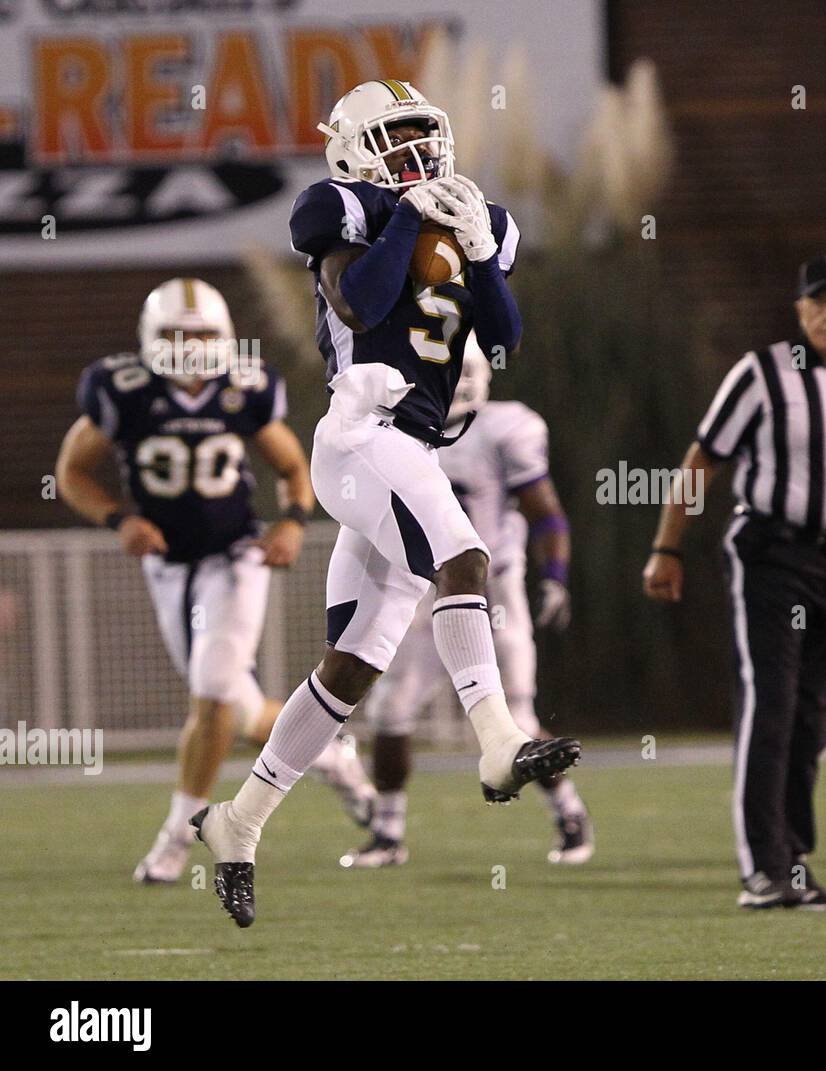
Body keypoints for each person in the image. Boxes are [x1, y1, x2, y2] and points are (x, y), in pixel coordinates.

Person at [190, 80, 579, 928]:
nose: (416, 154)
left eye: (421, 137)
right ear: (355, 149)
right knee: (464, 556)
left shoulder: (481, 216)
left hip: (410, 447)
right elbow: (359, 301)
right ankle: (498, 743)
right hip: (361, 432)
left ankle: (237, 823)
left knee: (353, 666)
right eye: (394, 139)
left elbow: (506, 337)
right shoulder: (344, 208)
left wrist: (477, 250)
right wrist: (411, 218)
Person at [55, 277, 374, 885]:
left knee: (212, 688)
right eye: (176, 335)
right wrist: (119, 518)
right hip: (168, 564)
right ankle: (331, 756)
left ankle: (180, 834)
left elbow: (289, 465)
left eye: (200, 335)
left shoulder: (243, 387)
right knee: (237, 704)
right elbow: (72, 471)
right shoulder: (122, 389)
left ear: (224, 337)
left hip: (236, 555)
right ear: (151, 339)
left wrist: (293, 520)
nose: (189, 347)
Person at [643, 254, 826, 910]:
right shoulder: (765, 374)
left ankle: (793, 861)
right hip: (770, 555)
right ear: (800, 311)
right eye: (819, 302)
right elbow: (703, 460)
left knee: (811, 715)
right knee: (771, 703)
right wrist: (667, 545)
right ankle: (762, 867)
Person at [343, 335, 593, 869]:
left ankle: (568, 812)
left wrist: (554, 577)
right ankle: (388, 832)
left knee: (518, 716)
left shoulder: (503, 428)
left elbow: (546, 511)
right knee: (391, 709)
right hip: (424, 589)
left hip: (493, 588)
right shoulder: (394, 430)